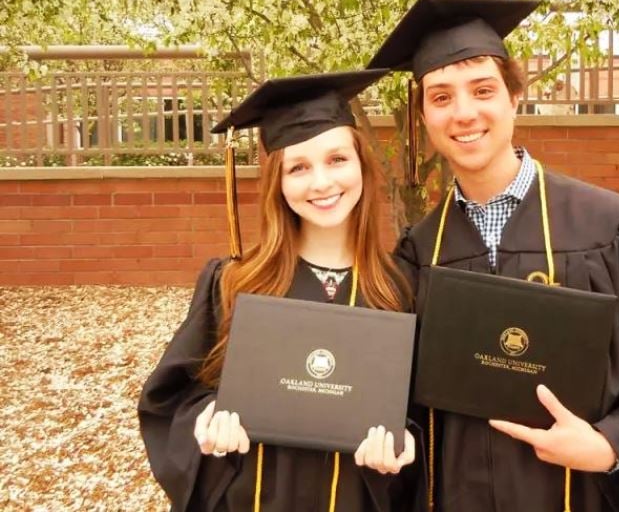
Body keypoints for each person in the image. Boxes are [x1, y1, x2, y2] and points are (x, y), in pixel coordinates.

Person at [369, 0, 619, 511]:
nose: (464, 113)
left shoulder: (615, 228)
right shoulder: (418, 252)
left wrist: (613, 445)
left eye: (483, 90)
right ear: (424, 117)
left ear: (514, 99)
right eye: (440, 97)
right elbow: (399, 403)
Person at [138, 70, 424, 512]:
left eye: (336, 160)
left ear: (362, 166)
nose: (322, 183)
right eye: (299, 167)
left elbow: (423, 420)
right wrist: (206, 421)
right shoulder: (235, 283)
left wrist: (404, 445)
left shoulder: (399, 289)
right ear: (278, 182)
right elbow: (171, 399)